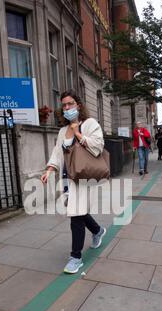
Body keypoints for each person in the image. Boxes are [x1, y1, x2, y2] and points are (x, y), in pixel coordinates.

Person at [41, 90, 107, 275]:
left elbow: (98, 146)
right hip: (67, 178)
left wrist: (78, 132)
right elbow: (57, 152)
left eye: (70, 104)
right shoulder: (63, 131)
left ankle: (75, 258)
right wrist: (49, 169)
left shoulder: (90, 124)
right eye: (64, 105)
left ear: (78, 105)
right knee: (77, 211)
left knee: (76, 215)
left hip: (83, 177)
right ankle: (98, 230)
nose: (67, 107)